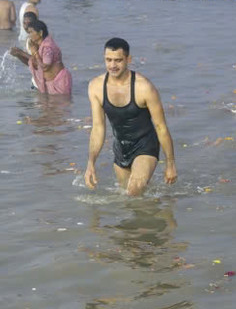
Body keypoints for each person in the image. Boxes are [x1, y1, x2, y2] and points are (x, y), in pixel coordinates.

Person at [85, 37, 178, 196]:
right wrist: (91, 163)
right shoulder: (96, 87)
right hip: (121, 148)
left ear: (128, 59)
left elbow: (161, 127)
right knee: (130, 201)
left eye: (118, 60)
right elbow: (98, 128)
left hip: (145, 145)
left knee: (133, 191)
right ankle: (157, 212)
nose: (112, 65)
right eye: (108, 60)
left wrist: (170, 164)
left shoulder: (144, 87)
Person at [19, 19, 72, 96]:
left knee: (60, 106)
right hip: (52, 83)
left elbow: (45, 67)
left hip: (59, 83)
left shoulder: (47, 47)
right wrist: (19, 54)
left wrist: (34, 52)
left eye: (31, 32)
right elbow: (35, 63)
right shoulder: (41, 45)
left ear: (40, 33)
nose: (29, 35)